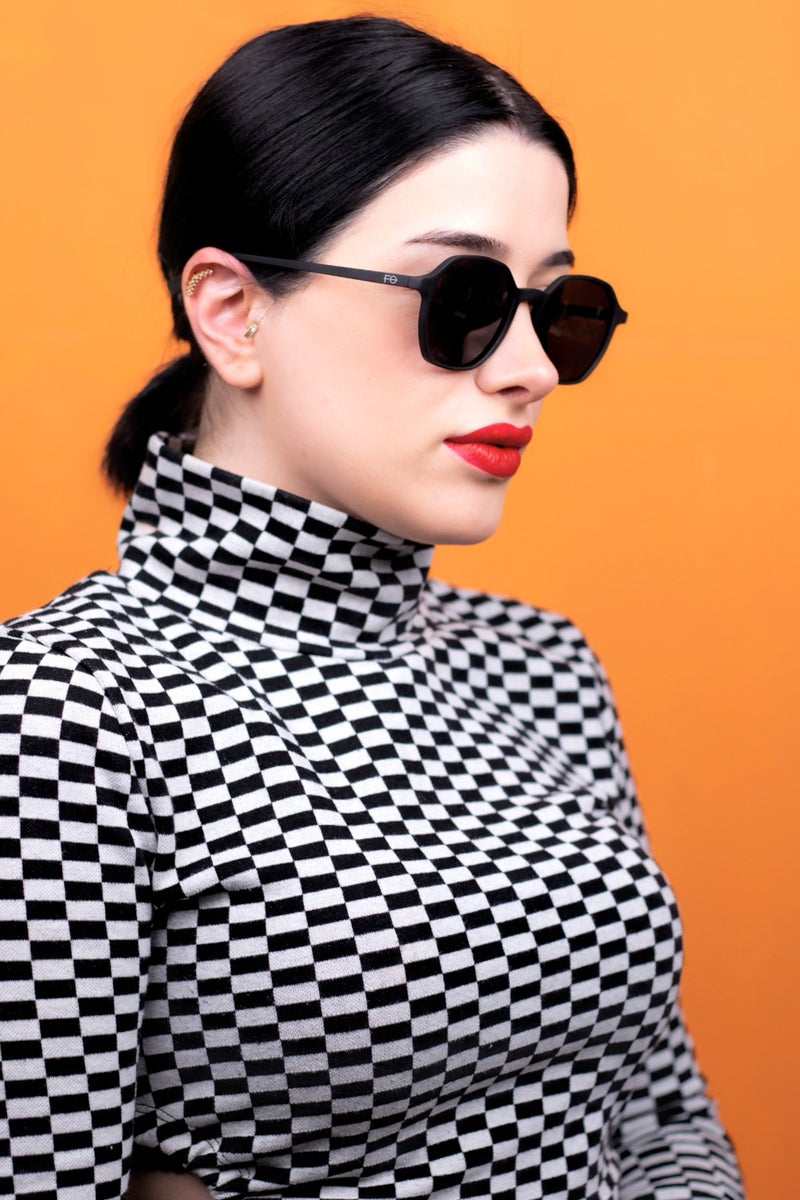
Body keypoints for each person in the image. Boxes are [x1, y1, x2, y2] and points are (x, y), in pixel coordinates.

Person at [0, 15, 745, 1200]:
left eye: (557, 306)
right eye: (463, 294)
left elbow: (660, 1117)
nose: (530, 369)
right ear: (231, 311)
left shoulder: (543, 665)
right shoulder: (67, 705)